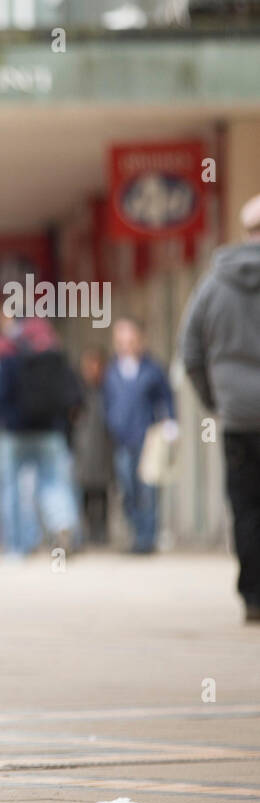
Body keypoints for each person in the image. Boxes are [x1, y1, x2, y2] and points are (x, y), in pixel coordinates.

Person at [179, 193, 260, 622]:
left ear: (247, 231)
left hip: (239, 416)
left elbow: (189, 351)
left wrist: (214, 397)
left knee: (246, 506)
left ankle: (253, 597)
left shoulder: (215, 282)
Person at [0, 310, 83, 555]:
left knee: (12, 488)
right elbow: (72, 393)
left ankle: (16, 546)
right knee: (54, 482)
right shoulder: (50, 346)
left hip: (14, 431)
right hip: (50, 430)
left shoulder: (5, 349)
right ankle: (63, 523)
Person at [103, 318, 177, 554]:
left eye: (130, 340)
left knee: (148, 491)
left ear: (140, 340)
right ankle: (135, 534)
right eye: (121, 340)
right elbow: (107, 402)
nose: (125, 345)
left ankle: (147, 539)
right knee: (128, 489)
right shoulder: (112, 371)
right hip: (122, 441)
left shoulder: (152, 369)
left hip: (147, 439)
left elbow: (166, 398)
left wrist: (170, 422)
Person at [72, 348, 116, 547]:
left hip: (103, 448)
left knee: (102, 491)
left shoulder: (108, 390)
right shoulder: (77, 391)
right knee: (85, 492)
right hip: (83, 449)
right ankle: (86, 532)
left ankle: (101, 532)